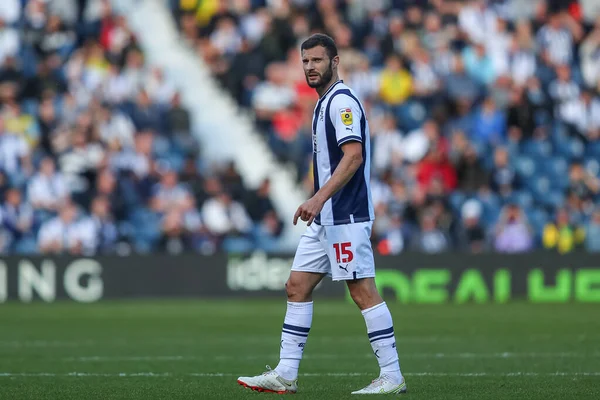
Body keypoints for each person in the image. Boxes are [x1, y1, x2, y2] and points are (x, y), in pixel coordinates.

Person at [237, 33, 406, 395]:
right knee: (296, 287)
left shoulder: (341, 102)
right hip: (326, 217)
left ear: (334, 61)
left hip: (345, 215)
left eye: (317, 60)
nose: (310, 67)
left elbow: (353, 156)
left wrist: (317, 198)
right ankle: (285, 373)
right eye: (305, 61)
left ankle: (391, 375)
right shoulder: (322, 103)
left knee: (362, 292)